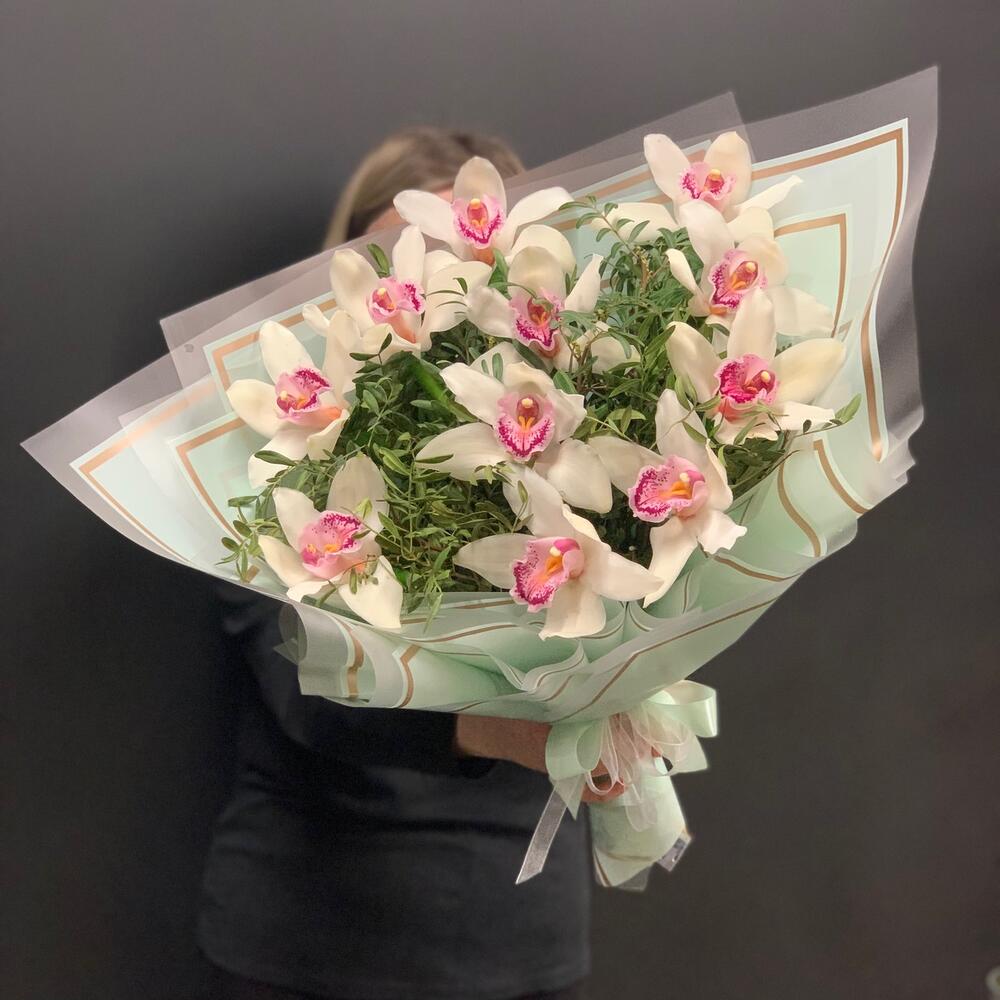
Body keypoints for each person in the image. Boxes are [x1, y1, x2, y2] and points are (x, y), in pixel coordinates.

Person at [198, 127, 625, 1000]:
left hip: (513, 932)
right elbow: (303, 689)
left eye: (452, 261)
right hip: (305, 934)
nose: (418, 296)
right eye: (394, 264)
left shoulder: (590, 433)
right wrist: (503, 732)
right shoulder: (265, 445)